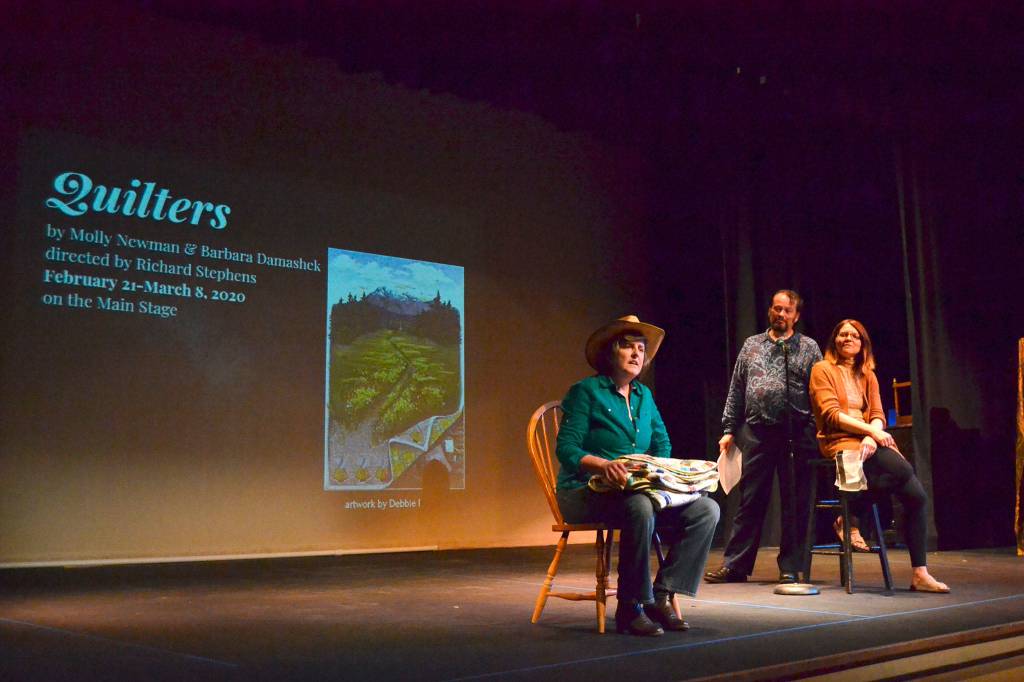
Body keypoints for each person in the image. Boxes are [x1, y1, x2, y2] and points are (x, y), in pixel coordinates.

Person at [556, 315, 720, 636]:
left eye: (641, 349)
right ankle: (630, 606)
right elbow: (567, 449)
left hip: (637, 489)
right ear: (609, 353)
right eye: (627, 346)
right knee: (640, 506)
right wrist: (604, 466)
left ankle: (660, 595)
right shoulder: (586, 391)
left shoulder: (644, 397)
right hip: (584, 492)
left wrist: (661, 473)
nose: (636, 354)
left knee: (706, 509)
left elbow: (662, 443)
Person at [809, 319, 950, 592]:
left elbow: (877, 415)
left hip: (865, 441)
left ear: (863, 344)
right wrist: (870, 434)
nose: (848, 339)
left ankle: (919, 573)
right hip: (838, 441)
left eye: (854, 336)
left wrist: (871, 434)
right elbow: (831, 415)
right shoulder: (822, 369)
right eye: (842, 334)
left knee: (917, 496)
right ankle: (850, 515)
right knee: (902, 471)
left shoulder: (868, 374)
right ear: (834, 340)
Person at [705, 290, 822, 585]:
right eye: (776, 308)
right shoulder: (752, 345)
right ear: (770, 310)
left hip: (798, 433)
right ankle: (736, 565)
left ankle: (791, 566)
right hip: (758, 432)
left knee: (796, 502)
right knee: (751, 500)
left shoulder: (808, 347)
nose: (780, 314)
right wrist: (729, 428)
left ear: (796, 315)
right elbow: (737, 388)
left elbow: (821, 391)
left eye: (786, 310)